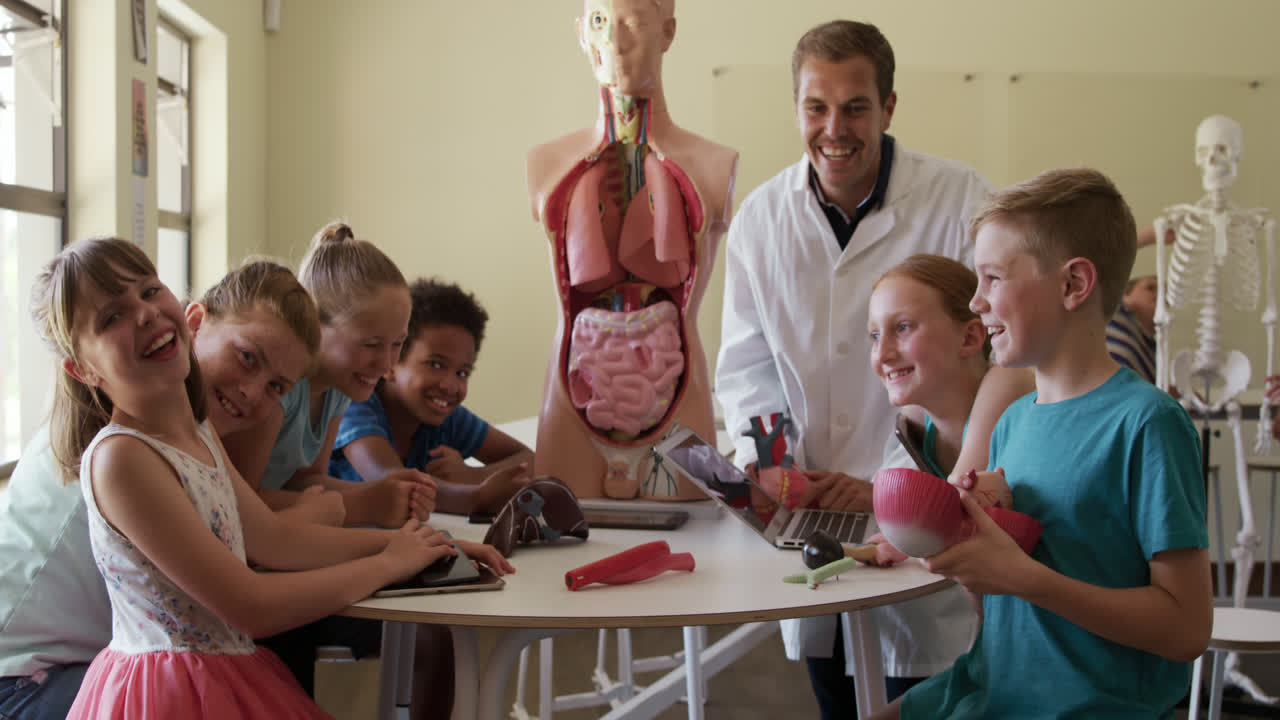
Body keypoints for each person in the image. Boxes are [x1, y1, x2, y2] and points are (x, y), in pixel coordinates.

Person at [27, 237, 513, 719]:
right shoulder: (121, 458)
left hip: (219, 674)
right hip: (166, 692)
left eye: (150, 290)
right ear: (83, 370)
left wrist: (425, 544)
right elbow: (249, 605)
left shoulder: (198, 434)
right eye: (112, 316)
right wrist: (388, 562)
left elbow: (275, 540)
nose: (145, 313)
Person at [713, 19, 1022, 718]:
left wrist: (889, 484)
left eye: (856, 107)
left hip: (935, 513)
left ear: (888, 107)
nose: (835, 129)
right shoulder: (762, 220)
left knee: (939, 693)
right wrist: (772, 458)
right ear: (796, 109)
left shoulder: (961, 201)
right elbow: (746, 365)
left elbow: (995, 355)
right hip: (813, 514)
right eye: (816, 107)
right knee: (836, 692)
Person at [872, 168, 1212, 719]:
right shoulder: (1011, 423)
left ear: (1074, 285)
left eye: (992, 279)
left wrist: (1027, 577)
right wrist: (968, 541)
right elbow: (996, 614)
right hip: (989, 690)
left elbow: (1186, 630)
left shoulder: (1149, 424)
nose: (977, 303)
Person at [0, 258, 328, 719]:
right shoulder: (126, 450)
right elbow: (248, 581)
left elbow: (259, 534)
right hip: (29, 677)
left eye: (152, 292)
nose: (254, 394)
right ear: (195, 324)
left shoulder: (184, 424)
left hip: (117, 653)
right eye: (246, 357)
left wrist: (399, 547)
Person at [526, 0, 738, 499]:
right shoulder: (545, 162)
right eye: (600, 22)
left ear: (668, 32)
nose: (616, 43)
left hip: (680, 408)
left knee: (699, 558)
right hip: (571, 397)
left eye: (635, 23)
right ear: (581, 32)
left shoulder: (714, 163)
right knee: (564, 545)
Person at [860, 253, 1034, 698]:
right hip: (996, 643)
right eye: (874, 335)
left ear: (972, 335)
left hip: (1052, 655)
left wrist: (904, 536)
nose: (882, 354)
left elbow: (945, 517)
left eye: (903, 328)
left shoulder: (1008, 383)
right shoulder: (918, 419)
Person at [222, 221, 437, 527]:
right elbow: (241, 500)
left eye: (398, 344)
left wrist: (386, 490)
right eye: (372, 344)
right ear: (317, 326)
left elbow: (306, 481)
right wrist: (366, 503)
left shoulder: (337, 389)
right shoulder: (280, 388)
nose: (387, 364)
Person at [330, 278, 534, 514]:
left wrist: (472, 475)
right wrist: (475, 497)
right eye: (435, 365)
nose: (450, 385)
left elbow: (530, 460)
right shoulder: (355, 403)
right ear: (390, 364)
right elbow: (392, 481)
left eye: (462, 372)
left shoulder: (448, 418)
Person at [1105, 274, 1158, 383]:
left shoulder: (1153, 350)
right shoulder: (1110, 310)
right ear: (1125, 294)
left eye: (1166, 297)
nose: (1160, 295)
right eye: (1150, 288)